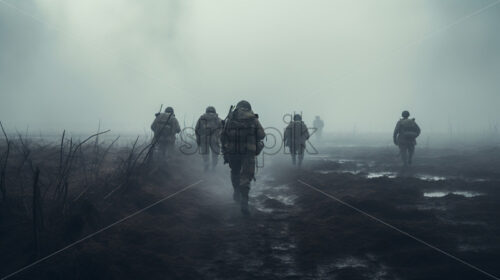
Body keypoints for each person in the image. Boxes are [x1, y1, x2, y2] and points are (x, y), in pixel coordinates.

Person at [221, 100, 265, 215]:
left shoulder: (230, 118)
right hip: (248, 152)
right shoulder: (253, 118)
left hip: (233, 151)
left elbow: (223, 135)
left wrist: (225, 150)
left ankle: (236, 191)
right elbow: (262, 135)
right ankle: (244, 201)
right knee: (246, 176)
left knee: (235, 172)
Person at [195, 106, 223, 172]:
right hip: (215, 140)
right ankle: (214, 167)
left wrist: (198, 140)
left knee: (205, 154)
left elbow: (197, 130)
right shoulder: (218, 119)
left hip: (203, 139)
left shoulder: (201, 118)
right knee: (215, 154)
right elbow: (223, 130)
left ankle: (206, 166)